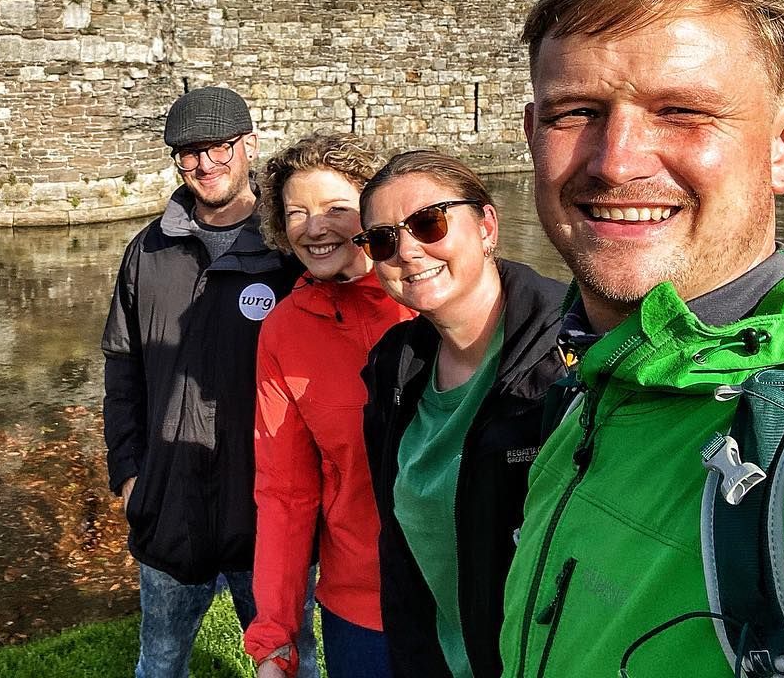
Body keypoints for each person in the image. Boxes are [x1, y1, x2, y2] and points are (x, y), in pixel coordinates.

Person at [502, 0, 784, 677]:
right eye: (578, 112)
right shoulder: (588, 384)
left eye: (682, 111)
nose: (617, 161)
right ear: (533, 134)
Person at [102, 86, 317, 678]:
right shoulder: (148, 250)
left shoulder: (290, 252)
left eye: (218, 148)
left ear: (248, 145)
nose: (204, 165)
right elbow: (121, 367)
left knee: (287, 664)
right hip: (170, 503)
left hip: (268, 510)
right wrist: (128, 475)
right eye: (188, 153)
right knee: (162, 662)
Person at [358, 149, 567, 678]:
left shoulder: (571, 358)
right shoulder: (393, 367)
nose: (407, 251)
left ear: (487, 226)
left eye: (429, 223)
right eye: (383, 239)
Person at [244, 133, 413, 678]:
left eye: (336, 209)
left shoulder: (428, 297)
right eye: (297, 213)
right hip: (358, 605)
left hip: (471, 592)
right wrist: (275, 636)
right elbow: (284, 491)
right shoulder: (285, 331)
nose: (315, 228)